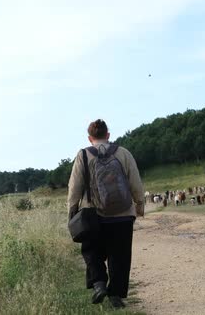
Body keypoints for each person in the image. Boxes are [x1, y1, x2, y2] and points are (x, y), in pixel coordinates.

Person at [66, 119, 145, 309]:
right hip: (123, 214)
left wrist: (72, 209)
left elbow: (74, 186)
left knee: (92, 250)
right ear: (108, 135)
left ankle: (99, 283)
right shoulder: (123, 153)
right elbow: (135, 180)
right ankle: (116, 295)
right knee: (120, 255)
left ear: (89, 137)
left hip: (93, 214)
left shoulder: (83, 155)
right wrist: (139, 204)